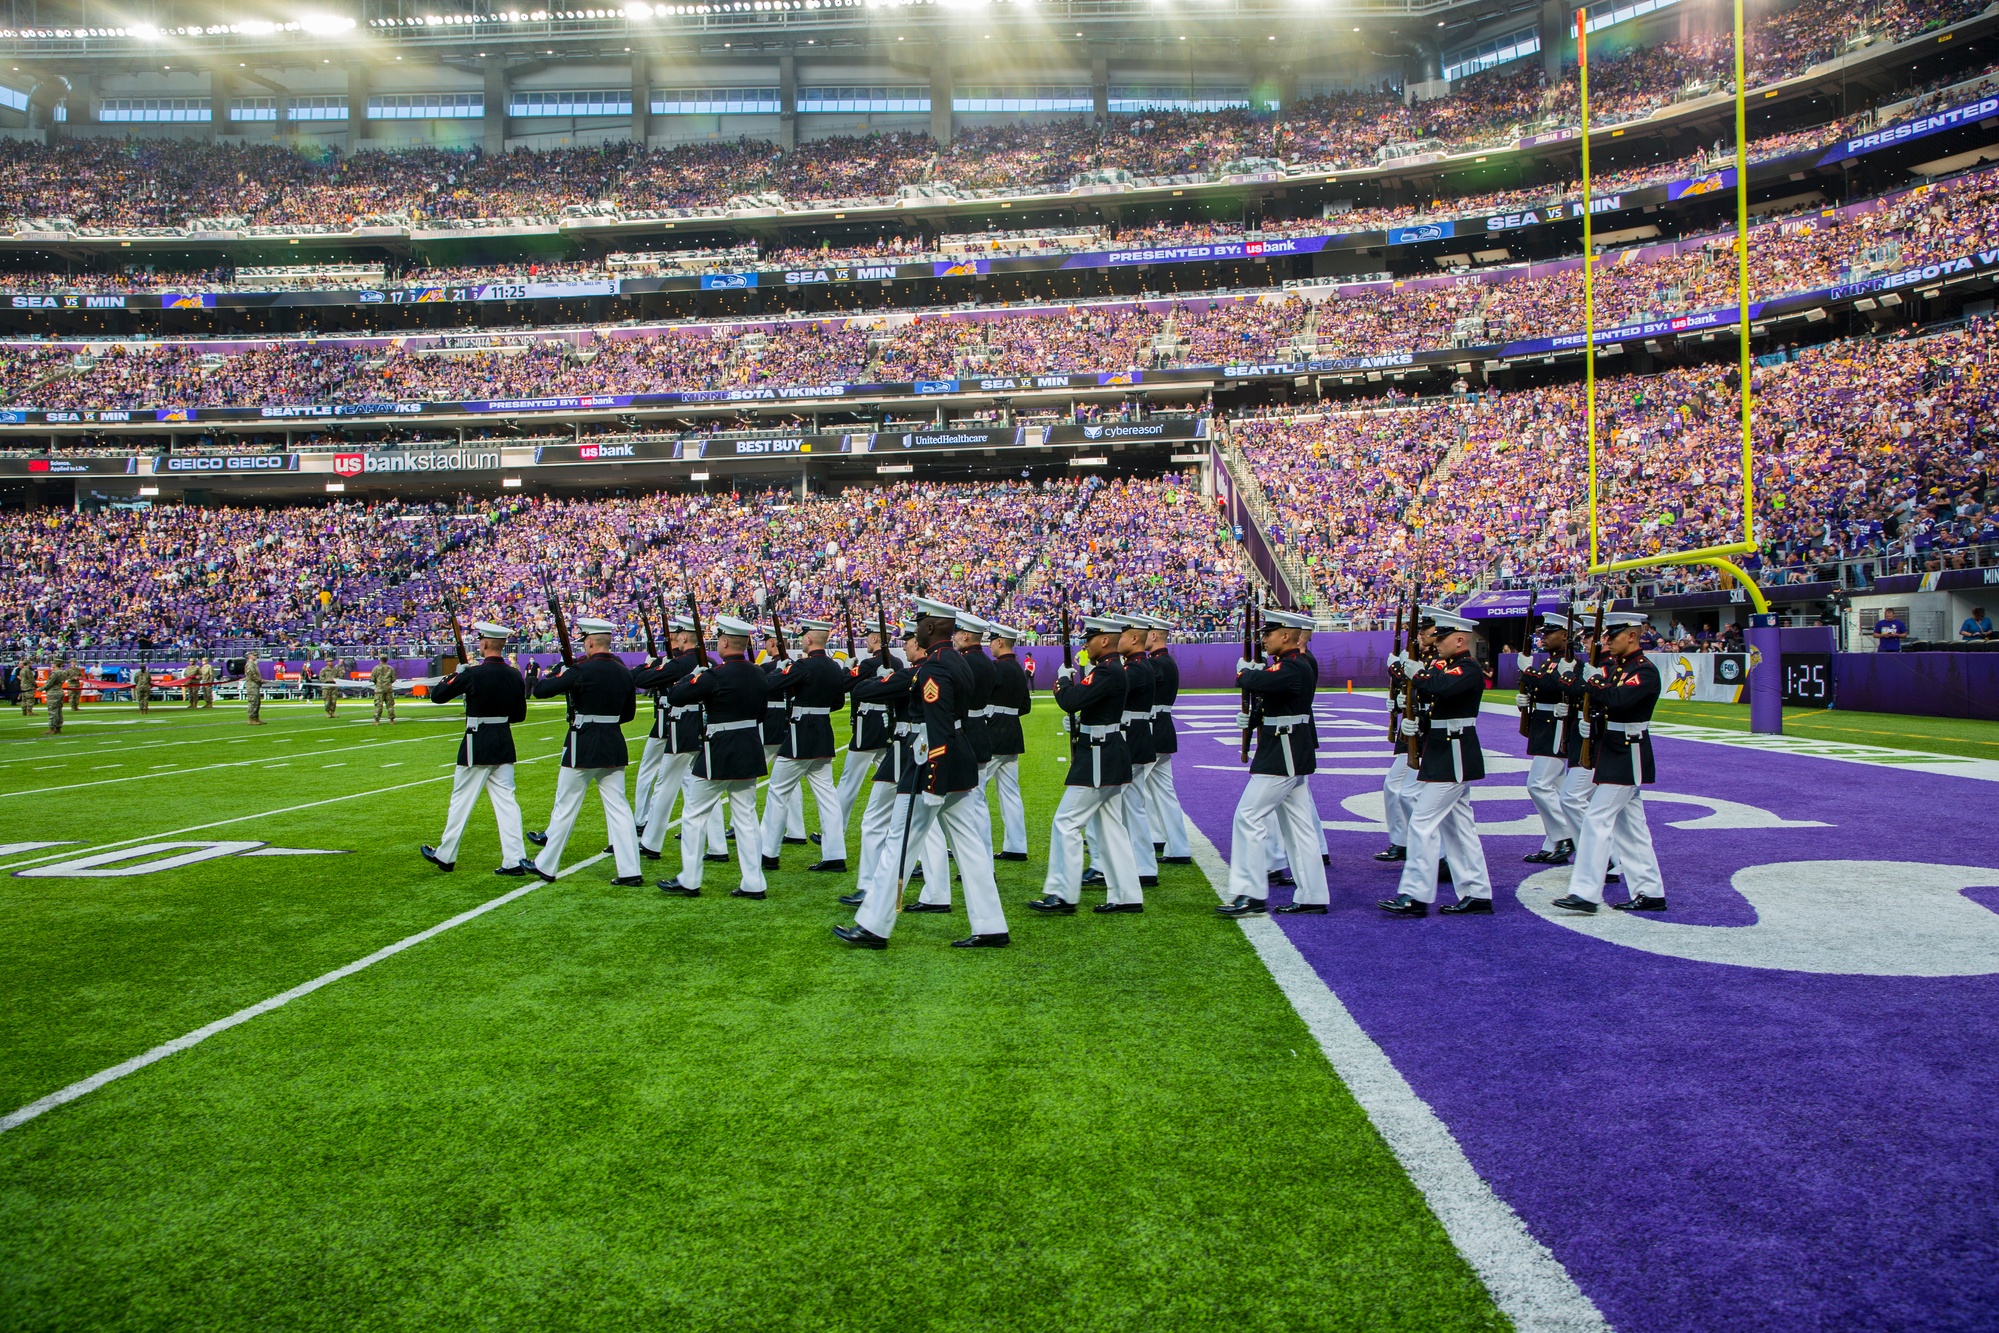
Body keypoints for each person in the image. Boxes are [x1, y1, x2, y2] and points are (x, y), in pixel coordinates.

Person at [837, 599, 1010, 949]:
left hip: (932, 763)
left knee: (899, 842)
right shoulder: (955, 661)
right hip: (957, 760)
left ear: (930, 628)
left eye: (918, 624)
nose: (914, 631)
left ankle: (873, 925)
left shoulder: (934, 668)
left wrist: (933, 781)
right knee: (969, 846)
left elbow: (940, 727)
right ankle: (991, 925)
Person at [1026, 614, 1145, 917]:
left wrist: (1064, 680)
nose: (1085, 645)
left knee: (1066, 822)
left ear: (1104, 640)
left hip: (1099, 756)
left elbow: (1071, 700)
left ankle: (1062, 893)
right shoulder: (1109, 670)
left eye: (1089, 638)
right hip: (1105, 751)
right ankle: (1126, 895)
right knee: (1110, 827)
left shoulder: (1107, 672)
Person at [1379, 607, 1493, 917]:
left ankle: (1415, 895)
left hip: (1454, 753)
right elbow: (1431, 693)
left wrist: (1414, 671)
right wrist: (1414, 718)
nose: (1436, 642)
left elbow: (1440, 685)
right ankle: (1477, 892)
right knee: (1459, 828)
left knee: (1422, 822)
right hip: (1442, 750)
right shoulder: (1446, 665)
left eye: (1442, 638)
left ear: (1459, 640)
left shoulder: (1467, 668)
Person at [1216, 607, 1329, 917]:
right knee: (1299, 826)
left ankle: (1251, 893)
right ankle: (1312, 894)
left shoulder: (1294, 665)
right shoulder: (1285, 666)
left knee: (1248, 816)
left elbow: (1254, 681)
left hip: (1283, 752)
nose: (1264, 639)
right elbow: (1270, 702)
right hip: (1284, 748)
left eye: (1268, 634)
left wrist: (1244, 672)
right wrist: (1251, 719)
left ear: (1285, 636)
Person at [1552, 611, 1667, 913]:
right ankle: (1650, 891)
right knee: (1632, 828)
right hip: (1612, 750)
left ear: (1631, 635)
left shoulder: (1645, 671)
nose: (1606, 641)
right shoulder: (1618, 668)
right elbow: (1596, 694)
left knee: (1596, 819)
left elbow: (1616, 699)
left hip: (1627, 753)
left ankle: (1586, 892)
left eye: (1611, 635)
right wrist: (1571, 678)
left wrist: (1591, 683)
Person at [837, 621, 954, 915]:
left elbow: (862, 691)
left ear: (921, 643)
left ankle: (869, 886)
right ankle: (937, 891)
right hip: (913, 746)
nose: (905, 645)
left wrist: (880, 679)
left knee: (876, 817)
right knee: (927, 826)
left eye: (909, 640)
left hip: (907, 746)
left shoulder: (916, 673)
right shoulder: (935, 669)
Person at [658, 614, 772, 900]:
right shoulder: (758, 673)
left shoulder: (715, 675)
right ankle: (754, 881)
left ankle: (690, 878)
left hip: (719, 749)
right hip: (748, 746)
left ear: (723, 642)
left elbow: (676, 696)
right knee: (746, 817)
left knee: (694, 815)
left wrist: (693, 675)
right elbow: (761, 713)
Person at [525, 618, 643, 886]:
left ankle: (546, 864)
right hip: (613, 741)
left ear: (590, 642)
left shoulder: (581, 670)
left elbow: (540, 691)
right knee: (619, 808)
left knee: (565, 807)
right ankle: (630, 870)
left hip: (584, 743)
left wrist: (561, 671)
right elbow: (628, 714)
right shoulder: (623, 671)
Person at [422, 622, 532, 876]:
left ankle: (446, 854)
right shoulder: (515, 674)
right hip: (503, 739)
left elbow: (437, 695)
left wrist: (455, 675)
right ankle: (515, 859)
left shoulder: (473, 674)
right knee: (506, 802)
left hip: (477, 741)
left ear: (483, 644)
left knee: (461, 799)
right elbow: (518, 715)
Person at [758, 617, 852, 873]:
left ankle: (768, 852)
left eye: (803, 637)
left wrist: (781, 668)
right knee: (827, 796)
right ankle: (835, 855)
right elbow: (838, 704)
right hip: (823, 733)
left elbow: (769, 685)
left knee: (778, 792)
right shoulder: (834, 667)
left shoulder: (803, 666)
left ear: (809, 639)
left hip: (801, 735)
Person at [634, 616, 728, 864]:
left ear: (684, 637)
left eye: (677, 634)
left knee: (665, 784)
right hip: (706, 725)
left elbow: (641, 682)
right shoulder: (711, 662)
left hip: (683, 726)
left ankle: (651, 842)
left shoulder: (680, 663)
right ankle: (718, 846)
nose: (674, 638)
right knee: (707, 785)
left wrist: (652, 665)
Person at [1518, 612, 1579, 865]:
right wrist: (1526, 698)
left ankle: (1564, 836)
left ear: (1565, 636)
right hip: (1544, 724)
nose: (1543, 636)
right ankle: (1552, 841)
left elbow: (1556, 685)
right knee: (1556, 787)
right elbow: (1543, 685)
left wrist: (1528, 672)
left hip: (1556, 725)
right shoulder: (1549, 661)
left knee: (1538, 784)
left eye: (1549, 633)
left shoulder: (1570, 661)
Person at [1375, 615, 1437, 864]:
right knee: (1392, 786)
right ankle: (1400, 840)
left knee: (1411, 793)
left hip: (1425, 732)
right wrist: (1400, 701)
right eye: (1419, 632)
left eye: (1427, 632)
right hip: (1410, 729)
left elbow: (1426, 685)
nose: (1421, 636)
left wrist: (1396, 669)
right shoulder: (1418, 659)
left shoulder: (1436, 661)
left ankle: (1425, 846)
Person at [833, 618, 895, 842]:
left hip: (868, 726)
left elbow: (843, 685)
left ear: (876, 638)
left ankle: (834, 832)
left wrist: (847, 668)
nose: (866, 640)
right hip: (889, 727)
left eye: (868, 636)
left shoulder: (869, 664)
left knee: (849, 781)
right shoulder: (897, 663)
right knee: (893, 780)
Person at [1139, 614, 1191, 865]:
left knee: (1130, 789)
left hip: (1151, 729)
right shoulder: (1164, 662)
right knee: (1162, 792)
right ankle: (1174, 845)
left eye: (1145, 633)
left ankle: (1137, 846)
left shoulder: (1156, 665)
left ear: (1155, 635)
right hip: (1162, 728)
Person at [984, 620, 1032, 861]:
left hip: (992, 733)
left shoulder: (995, 668)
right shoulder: (1019, 670)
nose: (990, 645)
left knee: (973, 790)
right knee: (1010, 793)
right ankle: (1016, 845)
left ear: (1000, 641)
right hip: (1012, 733)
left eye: (992, 640)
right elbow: (1025, 706)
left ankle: (975, 846)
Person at [758, 628, 809, 845]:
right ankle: (796, 829)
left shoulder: (768, 668)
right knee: (791, 779)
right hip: (787, 719)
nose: (764, 647)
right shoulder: (795, 666)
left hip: (770, 720)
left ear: (772, 643)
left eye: (766, 643)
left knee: (749, 774)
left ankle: (738, 824)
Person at [370, 657, 398, 724]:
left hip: (379, 689)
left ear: (380, 660)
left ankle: (377, 720)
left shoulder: (376, 668)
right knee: (390, 705)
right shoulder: (390, 668)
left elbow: (372, 678)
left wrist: (378, 683)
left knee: (378, 705)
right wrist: (388, 683)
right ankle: (392, 720)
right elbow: (393, 678)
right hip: (388, 688)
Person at [44, 658, 66, 736]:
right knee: (59, 711)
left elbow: (49, 683)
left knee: (52, 711)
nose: (51, 665)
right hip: (60, 692)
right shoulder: (63, 673)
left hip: (53, 693)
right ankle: (58, 728)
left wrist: (41, 688)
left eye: (53, 664)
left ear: (56, 664)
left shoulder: (55, 673)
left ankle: (52, 728)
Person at [242, 653, 265, 724]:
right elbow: (252, 675)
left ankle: (256, 718)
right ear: (250, 656)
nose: (256, 656)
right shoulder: (250, 664)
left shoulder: (254, 664)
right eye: (254, 655)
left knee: (257, 702)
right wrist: (260, 680)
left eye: (256, 655)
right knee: (253, 701)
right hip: (252, 685)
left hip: (255, 685)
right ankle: (251, 718)